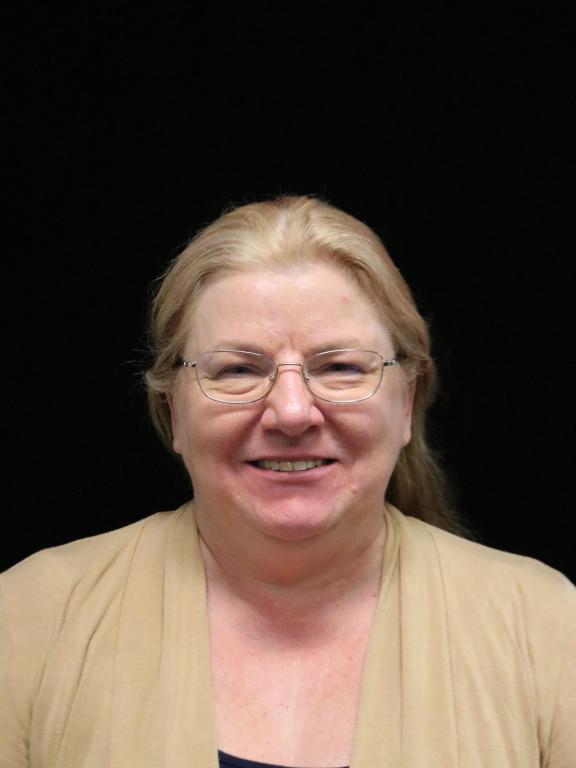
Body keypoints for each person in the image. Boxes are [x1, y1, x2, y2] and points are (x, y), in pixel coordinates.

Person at [1, 196, 574, 768]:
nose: (293, 412)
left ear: (407, 404)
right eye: (238, 370)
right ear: (173, 411)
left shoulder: (549, 630)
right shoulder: (28, 619)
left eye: (341, 367)